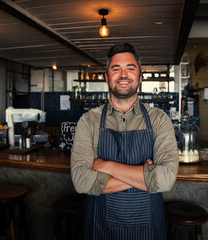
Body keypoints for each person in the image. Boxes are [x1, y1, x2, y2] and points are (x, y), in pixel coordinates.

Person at [70, 43, 179, 240]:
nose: (123, 75)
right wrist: (144, 176)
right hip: (99, 228)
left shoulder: (159, 119)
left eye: (130, 68)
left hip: (148, 230)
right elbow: (81, 182)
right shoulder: (88, 121)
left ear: (140, 76)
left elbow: (166, 179)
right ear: (106, 77)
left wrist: (106, 165)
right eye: (116, 69)